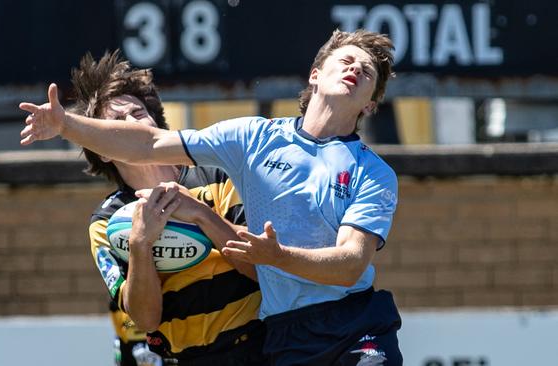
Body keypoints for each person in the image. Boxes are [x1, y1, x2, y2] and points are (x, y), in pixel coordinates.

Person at [20, 29, 402, 365]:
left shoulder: (370, 173)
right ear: (314, 75)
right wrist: (65, 124)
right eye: (346, 60)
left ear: (371, 104)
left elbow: (332, 264)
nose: (355, 69)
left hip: (325, 327)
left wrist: (208, 218)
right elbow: (150, 145)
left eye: (366, 71)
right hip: (272, 340)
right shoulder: (250, 141)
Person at [69, 51, 266, 365]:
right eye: (117, 121)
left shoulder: (218, 174)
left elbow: (262, 268)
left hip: (262, 347)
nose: (132, 123)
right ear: (103, 150)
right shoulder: (107, 221)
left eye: (138, 112)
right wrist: (140, 244)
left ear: (155, 122)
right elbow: (146, 319)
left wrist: (201, 215)